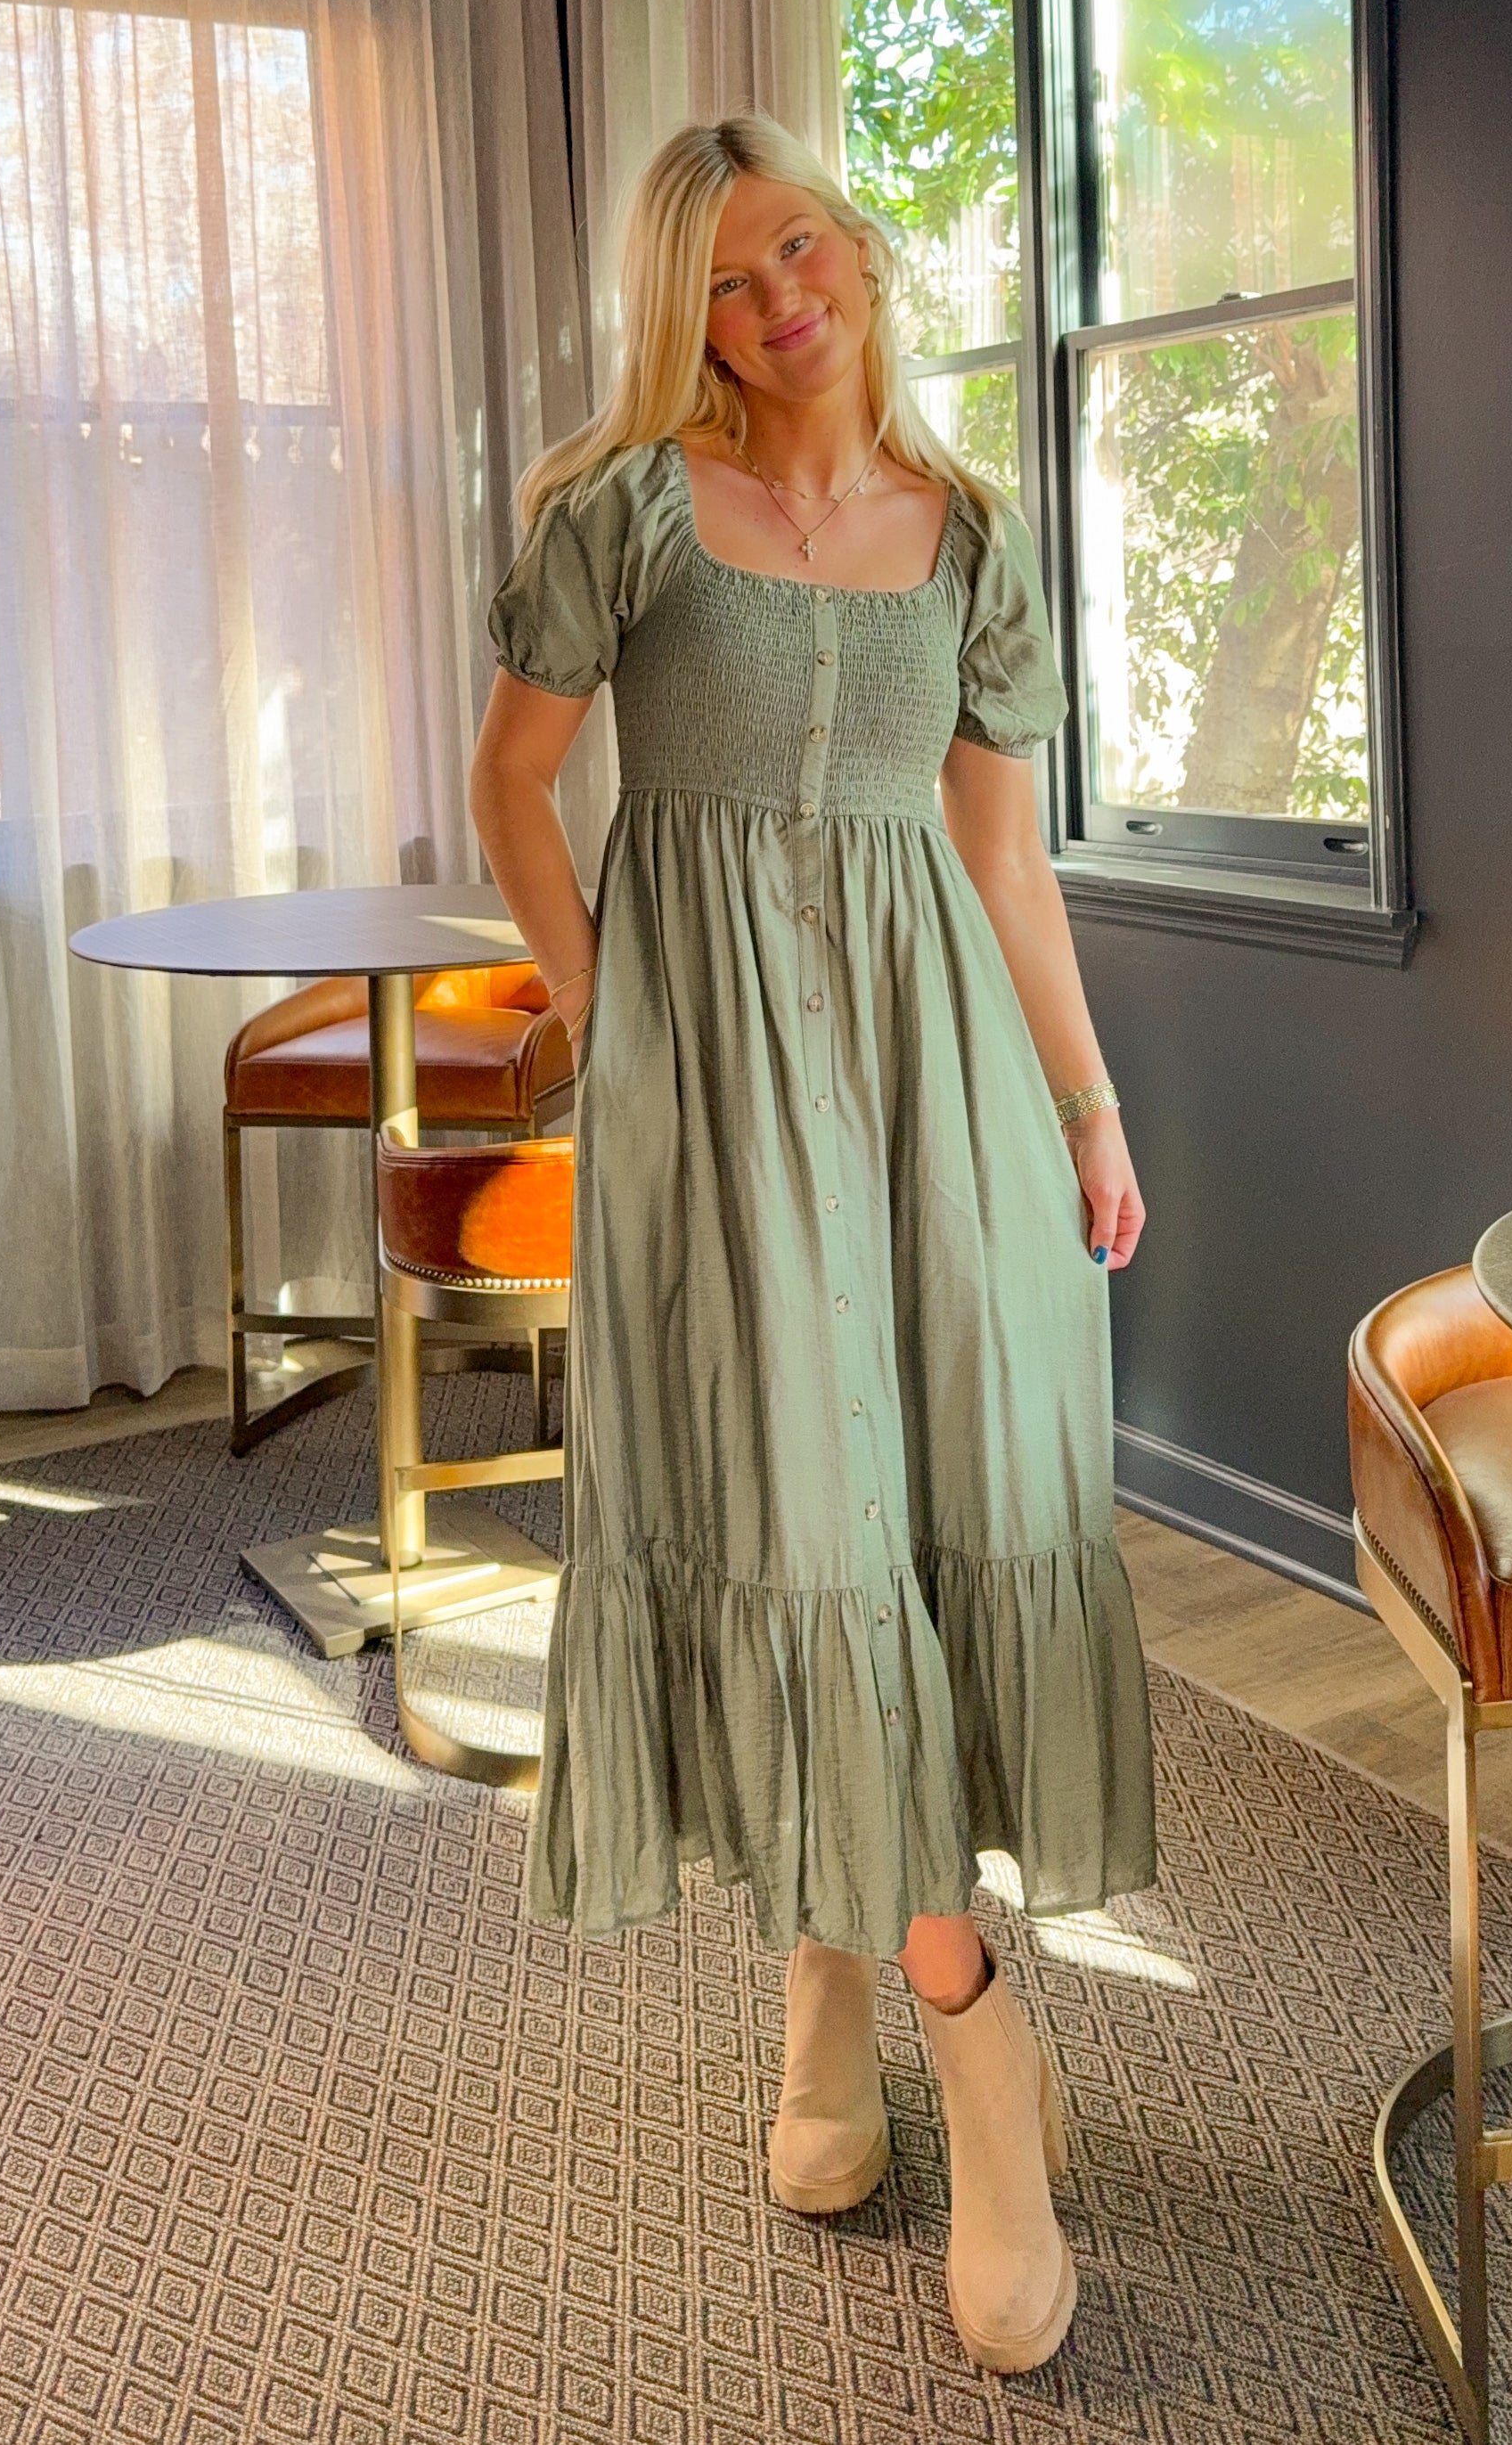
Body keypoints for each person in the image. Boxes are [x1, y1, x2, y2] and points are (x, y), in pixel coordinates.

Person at [468, 115, 1156, 2375]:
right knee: (803, 1522)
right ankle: (978, 2035)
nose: (782, 305)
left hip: (937, 1079)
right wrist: (609, 1021)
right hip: (716, 1095)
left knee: (928, 1518)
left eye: (801, 254)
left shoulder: (974, 534)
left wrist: (1087, 1104)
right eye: (730, 284)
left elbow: (1008, 862)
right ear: (688, 320)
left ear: (857, 254)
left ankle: (834, 1985)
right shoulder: (627, 515)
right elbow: (511, 785)